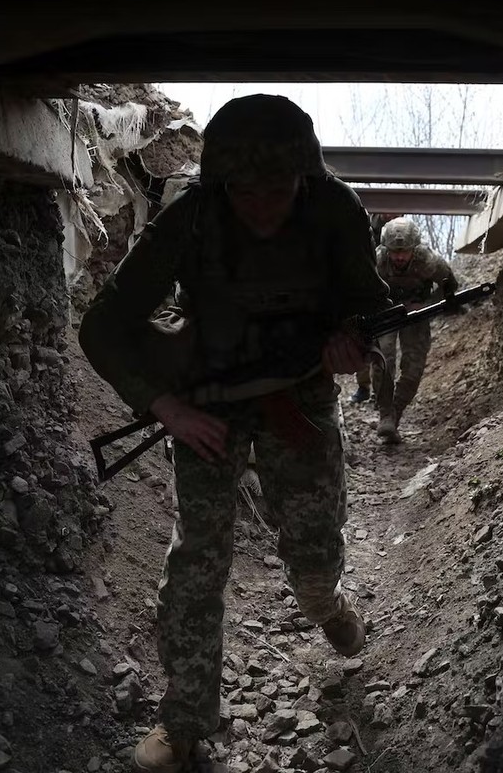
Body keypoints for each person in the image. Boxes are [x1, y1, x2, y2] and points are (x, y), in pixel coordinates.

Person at [78, 94, 391, 773]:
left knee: (312, 549)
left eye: (276, 188)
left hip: (298, 398)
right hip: (207, 408)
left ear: (303, 178)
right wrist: (164, 407)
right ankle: (184, 723)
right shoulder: (190, 216)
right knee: (197, 563)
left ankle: (324, 602)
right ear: (221, 182)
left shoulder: (334, 209)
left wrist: (351, 341)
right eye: (243, 190)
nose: (260, 205)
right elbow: (102, 327)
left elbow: (370, 305)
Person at [372, 216, 458, 443]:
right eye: (394, 251)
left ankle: (394, 414)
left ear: (414, 249)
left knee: (413, 366)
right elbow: (361, 289)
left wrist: (427, 305)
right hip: (386, 312)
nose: (399, 257)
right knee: (382, 359)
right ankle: (384, 414)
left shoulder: (428, 261)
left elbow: (450, 285)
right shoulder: (376, 261)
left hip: (416, 314)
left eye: (405, 251)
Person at [350, 211, 402, 404]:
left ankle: (379, 393)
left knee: (384, 349)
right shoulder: (367, 223)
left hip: (385, 295)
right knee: (361, 342)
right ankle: (363, 386)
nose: (391, 214)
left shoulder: (401, 229)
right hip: (364, 289)